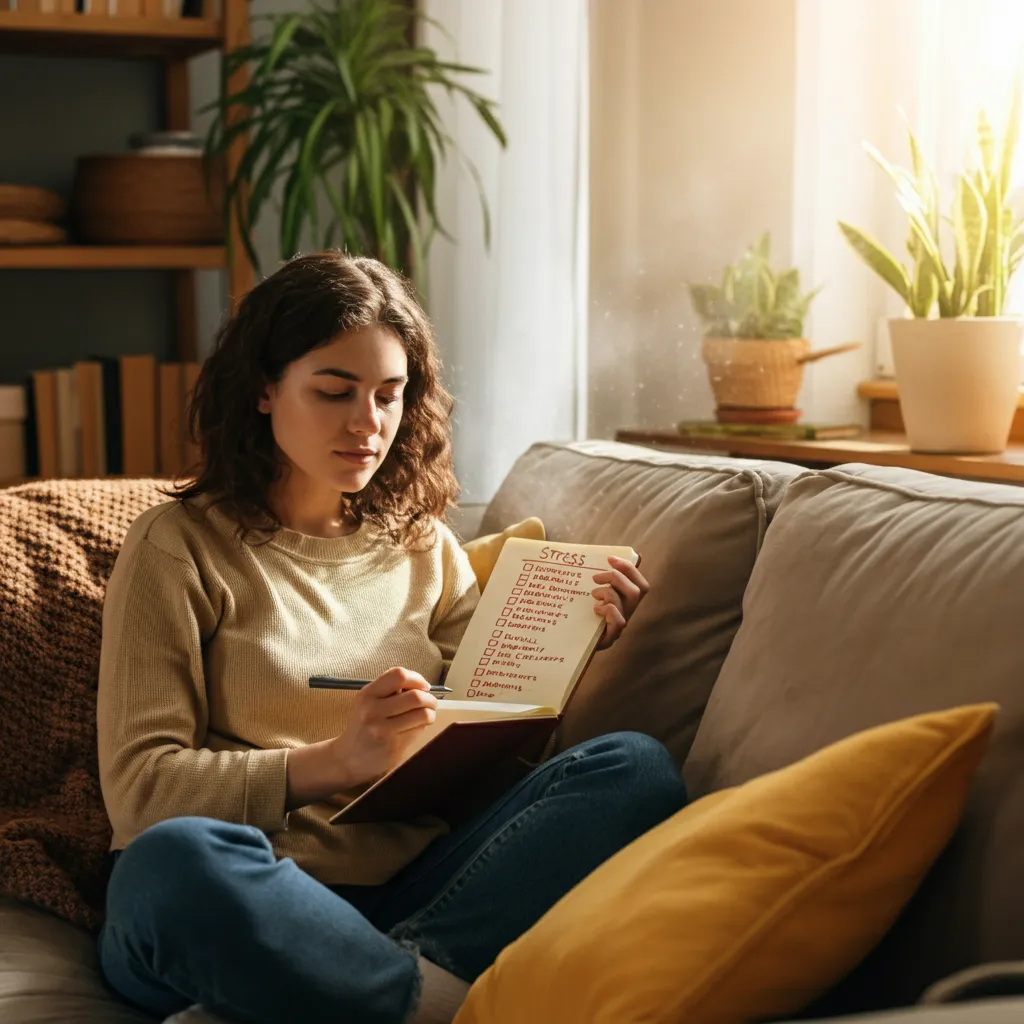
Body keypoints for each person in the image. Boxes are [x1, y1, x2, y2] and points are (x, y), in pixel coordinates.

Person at [96, 252, 688, 1024]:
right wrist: (335, 762)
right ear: (264, 390)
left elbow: (489, 751)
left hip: (410, 896)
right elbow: (141, 791)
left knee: (633, 770)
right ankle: (411, 998)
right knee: (172, 864)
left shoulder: (423, 545)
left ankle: (350, 990)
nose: (367, 424)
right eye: (335, 392)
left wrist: (570, 640)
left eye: (389, 395)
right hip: (252, 890)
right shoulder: (177, 547)